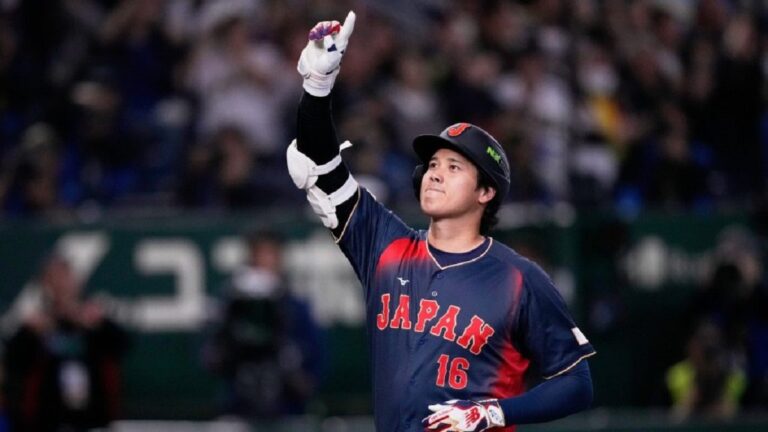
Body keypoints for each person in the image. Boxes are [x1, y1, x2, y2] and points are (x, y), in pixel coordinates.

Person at [287, 11, 595, 432]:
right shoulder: (385, 245)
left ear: (485, 193)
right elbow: (319, 163)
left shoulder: (518, 278)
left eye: (454, 167)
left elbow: (577, 383)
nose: (434, 172)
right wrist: (317, 86)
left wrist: (493, 412)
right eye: (433, 163)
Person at [202, 230, 324, 421]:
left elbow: (314, 372)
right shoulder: (232, 306)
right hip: (239, 409)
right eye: (260, 254)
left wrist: (288, 363)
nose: (266, 262)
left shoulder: (294, 308)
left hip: (286, 411)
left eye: (272, 254)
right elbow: (210, 360)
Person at [2, 253, 129, 431]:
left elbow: (120, 347)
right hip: (47, 420)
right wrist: (31, 334)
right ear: (45, 283)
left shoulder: (94, 320)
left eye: (66, 276)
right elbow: (15, 362)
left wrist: (96, 325)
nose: (61, 285)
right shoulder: (36, 324)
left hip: (92, 419)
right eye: (54, 278)